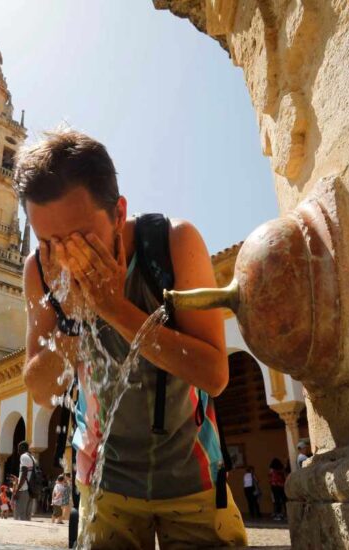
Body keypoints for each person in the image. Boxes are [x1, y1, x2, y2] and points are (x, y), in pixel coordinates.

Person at [18, 129, 247, 548]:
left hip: (192, 480)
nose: (67, 255)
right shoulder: (40, 272)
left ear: (118, 213)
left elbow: (214, 374)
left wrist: (114, 308)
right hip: (105, 486)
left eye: (81, 237)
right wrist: (72, 322)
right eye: (49, 241)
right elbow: (39, 388)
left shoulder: (173, 243)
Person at [14, 441, 35, 521]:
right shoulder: (32, 457)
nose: (18, 451)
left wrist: (18, 489)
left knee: (20, 514)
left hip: (24, 488)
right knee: (27, 515)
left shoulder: (23, 456)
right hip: (31, 489)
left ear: (22, 448)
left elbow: (24, 473)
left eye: (19, 449)